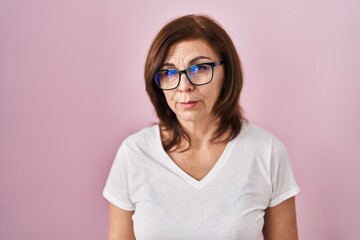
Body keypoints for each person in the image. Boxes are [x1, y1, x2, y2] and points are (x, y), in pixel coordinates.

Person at [103, 14, 300, 240]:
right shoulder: (133, 154)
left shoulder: (267, 152)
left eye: (200, 69)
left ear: (226, 73)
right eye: (169, 73)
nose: (184, 86)